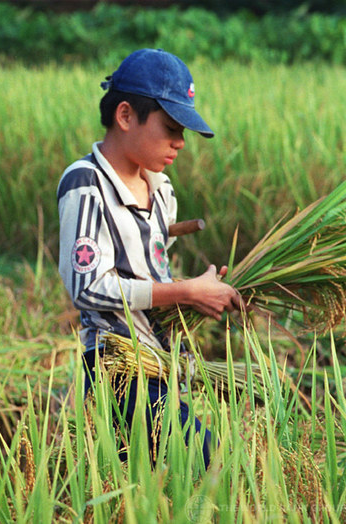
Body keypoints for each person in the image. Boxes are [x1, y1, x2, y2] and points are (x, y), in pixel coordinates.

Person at [57, 48, 242, 468]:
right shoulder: (86, 184)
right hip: (117, 368)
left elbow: (149, 272)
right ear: (125, 116)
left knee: (150, 486)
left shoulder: (162, 192)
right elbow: (88, 288)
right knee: (207, 461)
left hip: (161, 366)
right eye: (170, 128)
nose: (180, 142)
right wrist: (185, 291)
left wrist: (195, 290)